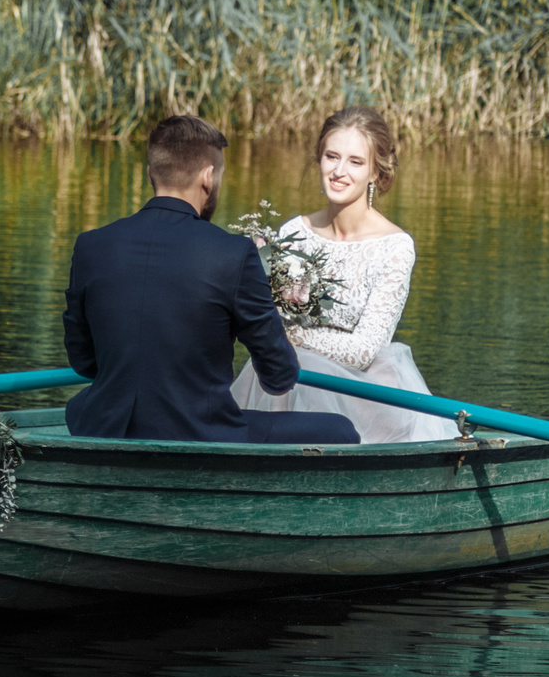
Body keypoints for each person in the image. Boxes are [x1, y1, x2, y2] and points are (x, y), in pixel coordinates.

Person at [63, 114, 360, 445]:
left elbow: (83, 361)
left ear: (150, 174)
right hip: (198, 434)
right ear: (208, 177)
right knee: (342, 430)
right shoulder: (233, 253)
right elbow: (279, 377)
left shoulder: (90, 246)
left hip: (103, 426)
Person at [230, 106, 459, 443]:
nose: (338, 171)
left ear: (375, 173)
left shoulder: (395, 247)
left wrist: (290, 337)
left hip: (363, 391)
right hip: (285, 383)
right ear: (319, 160)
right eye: (331, 157)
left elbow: (364, 350)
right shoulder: (296, 231)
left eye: (355, 161)